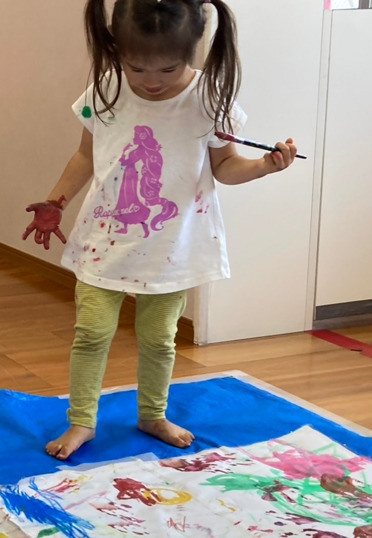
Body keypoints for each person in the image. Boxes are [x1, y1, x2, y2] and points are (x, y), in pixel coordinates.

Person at [22, 0, 298, 460]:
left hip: (174, 245)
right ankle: (82, 422)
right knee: (91, 334)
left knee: (158, 338)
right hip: (103, 242)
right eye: (136, 67)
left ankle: (153, 413)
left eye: (167, 69)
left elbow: (225, 167)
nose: (151, 81)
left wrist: (265, 167)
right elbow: (87, 155)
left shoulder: (209, 98)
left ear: (194, 51)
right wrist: (56, 202)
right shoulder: (106, 90)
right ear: (116, 51)